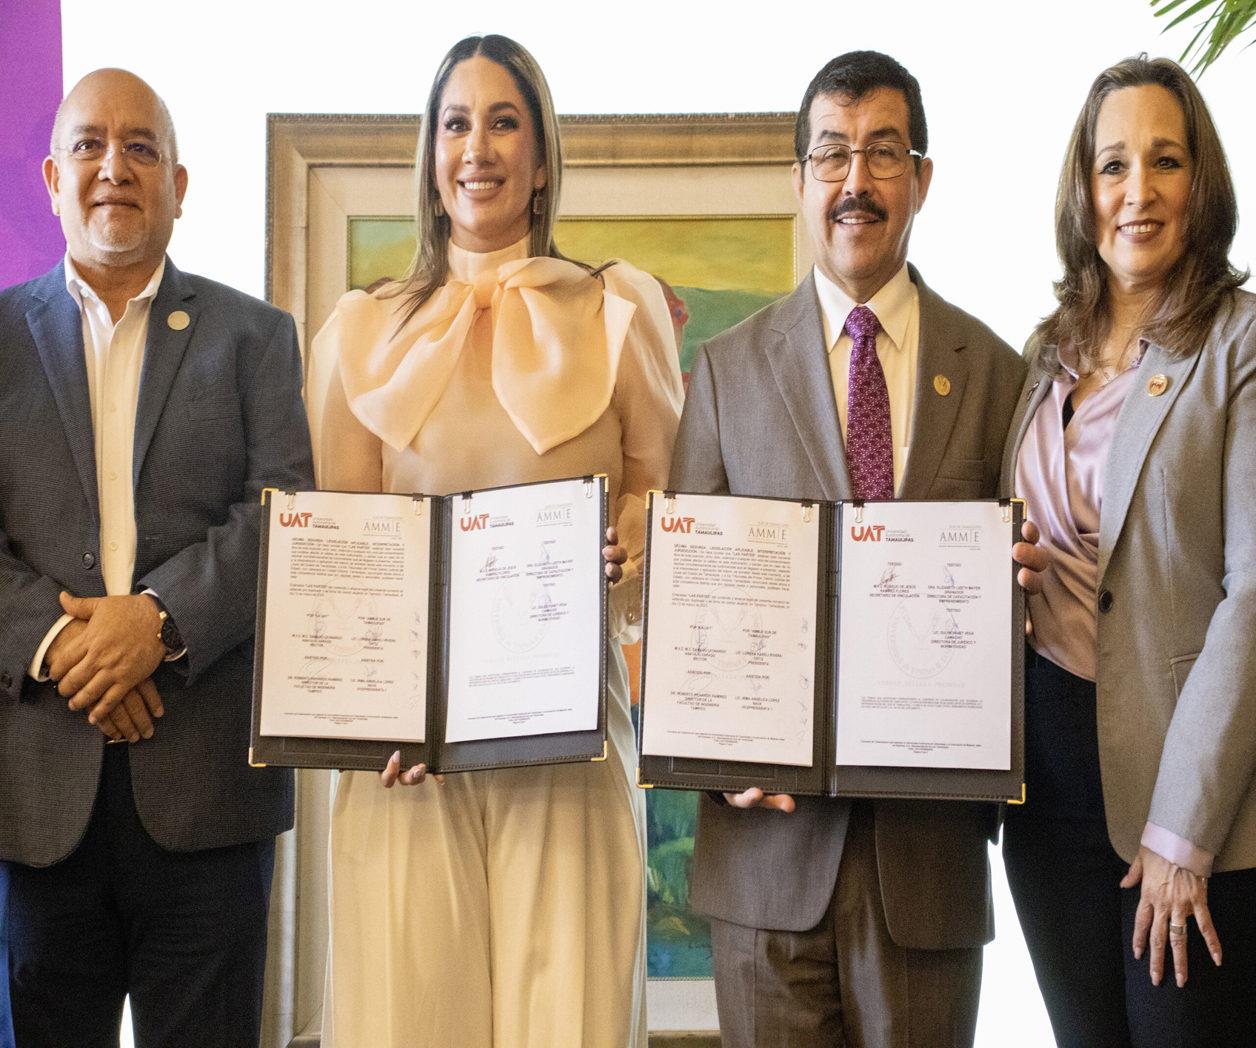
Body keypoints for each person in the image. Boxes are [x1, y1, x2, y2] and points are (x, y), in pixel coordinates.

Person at [305, 34, 683, 1048]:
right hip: (405, 764)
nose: (478, 146)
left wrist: (632, 549)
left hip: (569, 748)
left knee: (568, 1022)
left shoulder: (616, 311)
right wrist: (373, 706)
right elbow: (346, 553)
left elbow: (661, 501)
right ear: (431, 157)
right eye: (456, 122)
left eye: (503, 121)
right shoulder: (357, 333)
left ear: (543, 157)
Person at [670, 50, 1043, 1047]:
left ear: (920, 178)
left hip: (922, 868)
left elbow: (1023, 617)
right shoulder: (720, 371)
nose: (855, 181)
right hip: (763, 859)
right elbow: (680, 611)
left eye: (883, 152)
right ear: (797, 182)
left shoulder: (1000, 375)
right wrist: (713, 757)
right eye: (830, 153)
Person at [0, 69, 313, 1046]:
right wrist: (71, 644)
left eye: (141, 148)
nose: (114, 168)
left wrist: (157, 623)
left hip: (209, 801)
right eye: (90, 145)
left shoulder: (256, 338)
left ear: (179, 183)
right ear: (52, 177)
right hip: (39, 804)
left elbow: (286, 516)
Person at [1001, 55, 1256, 1048]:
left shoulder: (1236, 343)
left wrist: (1181, 832)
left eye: (1163, 160)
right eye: (1112, 165)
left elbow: (1250, 596)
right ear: (1083, 188)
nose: (1135, 192)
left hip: (1186, 801)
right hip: (1046, 790)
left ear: (1202, 181)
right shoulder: (1046, 348)